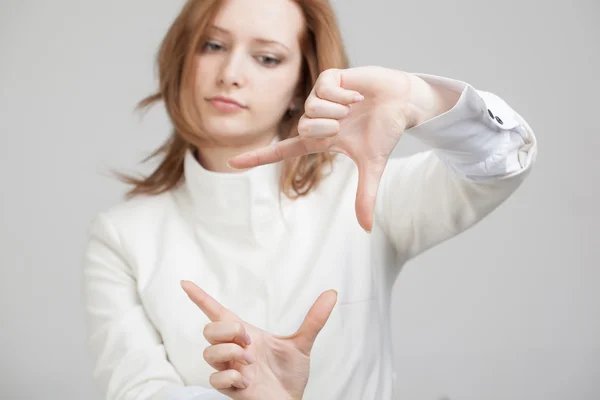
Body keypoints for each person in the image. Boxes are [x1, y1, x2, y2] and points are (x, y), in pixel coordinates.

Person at [82, 0, 538, 399]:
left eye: (266, 57)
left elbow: (500, 161)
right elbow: (138, 390)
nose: (230, 75)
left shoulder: (362, 191)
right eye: (212, 45)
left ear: (300, 85)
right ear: (182, 58)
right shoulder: (123, 235)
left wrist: (420, 98)